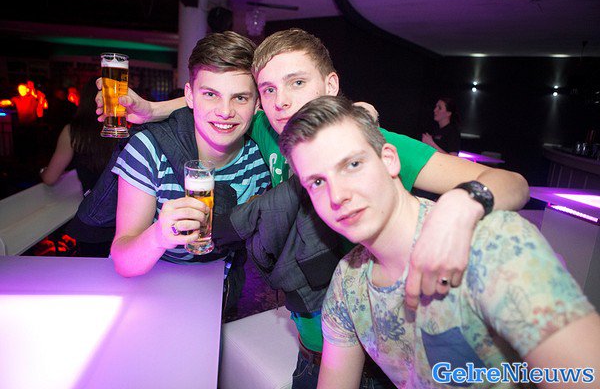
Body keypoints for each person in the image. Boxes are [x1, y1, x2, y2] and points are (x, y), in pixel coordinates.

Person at [96, 28, 529, 387]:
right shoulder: (268, 132)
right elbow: (222, 102)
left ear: (331, 86)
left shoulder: (366, 146)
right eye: (269, 89)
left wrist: (460, 208)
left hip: (388, 360)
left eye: (297, 83)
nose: (282, 100)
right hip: (313, 351)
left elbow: (512, 184)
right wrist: (153, 108)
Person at [279, 95, 600, 388]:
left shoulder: (489, 243)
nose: (337, 196)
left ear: (389, 160)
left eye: (352, 164)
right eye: (317, 182)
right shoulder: (347, 283)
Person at [109, 31, 271, 316]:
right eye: (210, 94)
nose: (225, 111)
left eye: (240, 98)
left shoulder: (262, 157)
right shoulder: (148, 149)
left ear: (256, 104)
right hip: (149, 293)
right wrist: (159, 236)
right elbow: (123, 260)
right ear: (189, 96)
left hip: (221, 293)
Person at [41, 79, 117, 256]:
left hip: (92, 218)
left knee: (90, 269)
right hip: (121, 215)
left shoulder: (73, 131)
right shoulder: (118, 127)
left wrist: (42, 171)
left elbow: (50, 178)